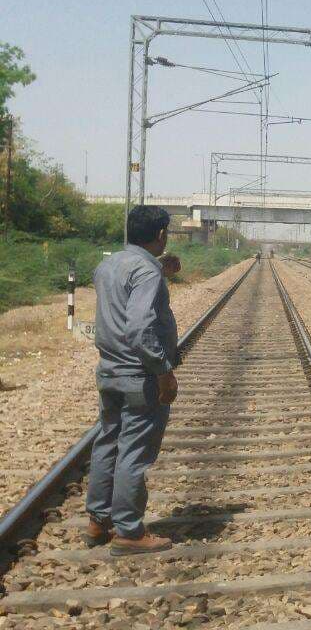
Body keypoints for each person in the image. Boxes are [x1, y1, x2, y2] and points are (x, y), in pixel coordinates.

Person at [86, 205, 180, 555]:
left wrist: (160, 269)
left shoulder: (108, 265)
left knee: (107, 442)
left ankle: (98, 521)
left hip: (109, 369)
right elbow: (140, 327)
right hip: (138, 374)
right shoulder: (147, 272)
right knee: (134, 452)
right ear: (160, 235)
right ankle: (128, 530)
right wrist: (163, 370)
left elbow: (124, 299)